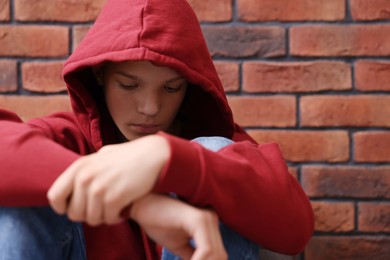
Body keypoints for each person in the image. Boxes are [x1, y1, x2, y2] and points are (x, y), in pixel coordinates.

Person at [0, 0, 314, 259]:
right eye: (129, 85)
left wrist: (174, 160)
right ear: (99, 76)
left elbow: (296, 229)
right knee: (22, 204)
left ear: (189, 87)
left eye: (171, 88)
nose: (150, 107)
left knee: (215, 153)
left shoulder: (223, 145)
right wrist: (135, 202)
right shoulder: (67, 138)